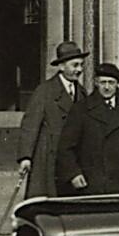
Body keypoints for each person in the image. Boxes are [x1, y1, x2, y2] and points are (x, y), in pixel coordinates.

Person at [57, 62, 119, 195]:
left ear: (118, 84)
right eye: (103, 82)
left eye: (111, 83)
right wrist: (73, 174)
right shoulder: (81, 109)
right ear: (96, 83)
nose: (107, 87)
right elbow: (65, 147)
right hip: (93, 183)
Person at [16, 41, 88, 198]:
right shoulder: (45, 91)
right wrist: (26, 157)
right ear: (61, 66)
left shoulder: (82, 93)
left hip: (71, 159)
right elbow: (30, 125)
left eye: (81, 65)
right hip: (48, 159)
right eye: (75, 65)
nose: (79, 70)